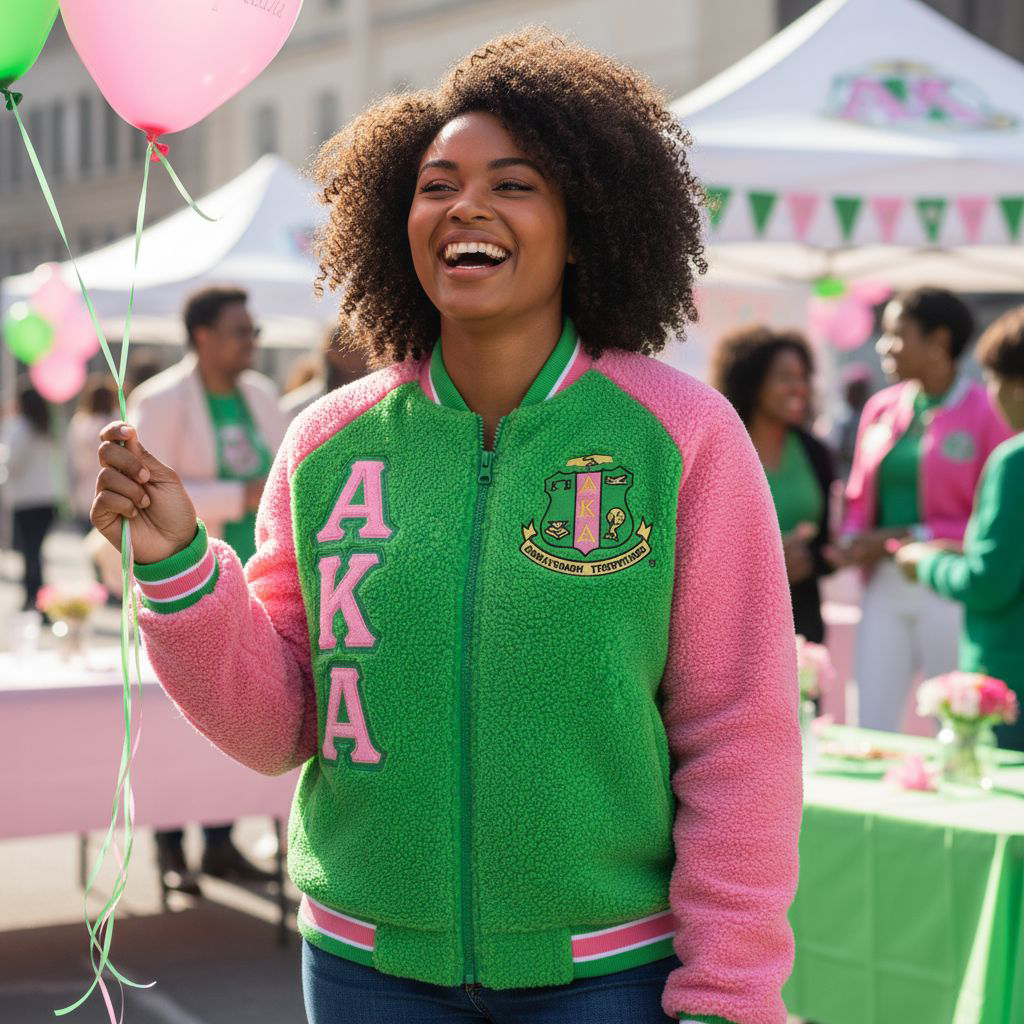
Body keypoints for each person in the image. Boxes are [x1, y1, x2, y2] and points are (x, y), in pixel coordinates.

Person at [91, 30, 801, 1024]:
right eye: (437, 184)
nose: (466, 205)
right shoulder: (327, 444)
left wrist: (727, 992)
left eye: (513, 185)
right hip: (361, 969)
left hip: (612, 977)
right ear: (397, 221)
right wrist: (174, 566)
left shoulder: (680, 437)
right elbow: (279, 722)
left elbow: (738, 734)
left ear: (583, 222)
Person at [127, 285, 289, 896]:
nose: (251, 342)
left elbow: (283, 473)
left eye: (254, 331)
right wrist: (234, 498)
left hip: (255, 578)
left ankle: (221, 843)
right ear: (203, 336)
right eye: (240, 331)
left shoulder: (262, 396)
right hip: (190, 581)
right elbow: (146, 491)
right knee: (180, 720)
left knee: (241, 703)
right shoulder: (161, 399)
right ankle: (172, 849)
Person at [830, 288, 1011, 732]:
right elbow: (858, 497)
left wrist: (913, 536)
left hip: (949, 583)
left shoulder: (986, 410)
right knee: (868, 721)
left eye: (897, 334)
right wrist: (854, 540)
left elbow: (993, 515)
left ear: (938, 342)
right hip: (885, 583)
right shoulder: (881, 408)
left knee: (957, 723)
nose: (883, 346)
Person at [896, 307, 1024, 750]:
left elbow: (989, 584)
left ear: (1019, 389)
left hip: (1010, 686)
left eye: (993, 380)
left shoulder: (1015, 461)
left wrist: (927, 562)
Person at [711, 326, 837, 644]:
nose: (799, 388)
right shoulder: (719, 450)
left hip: (801, 618)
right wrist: (765, 562)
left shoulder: (815, 452)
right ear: (752, 383)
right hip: (731, 617)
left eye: (803, 377)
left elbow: (826, 542)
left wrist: (814, 560)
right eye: (785, 378)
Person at [1, 384, 61, 610]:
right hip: (48, 497)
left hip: (26, 499)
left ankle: (33, 596)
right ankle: (39, 596)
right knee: (36, 551)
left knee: (30, 552)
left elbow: (12, 463)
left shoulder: (20, 428)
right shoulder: (48, 428)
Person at [281, 325, 370, 420]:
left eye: (364, 348)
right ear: (332, 353)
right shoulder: (297, 409)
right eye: (352, 348)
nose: (363, 356)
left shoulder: (376, 401)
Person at [68, 375, 117, 531]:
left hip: (86, 493)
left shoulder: (80, 424)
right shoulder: (118, 421)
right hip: (115, 492)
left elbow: (72, 460)